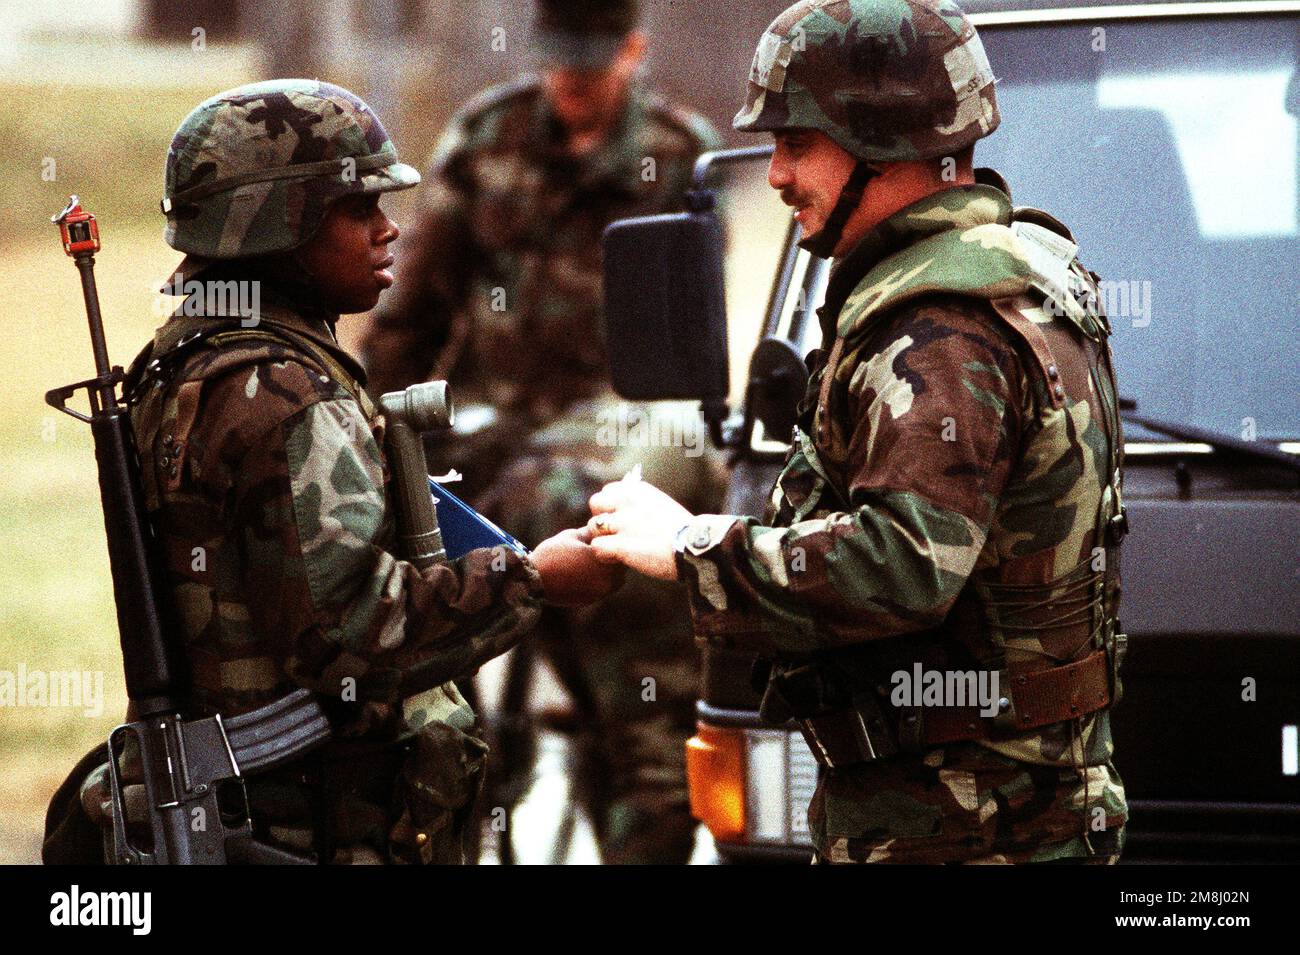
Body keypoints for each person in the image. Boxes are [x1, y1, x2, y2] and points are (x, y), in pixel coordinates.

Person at [585, 0, 1130, 864]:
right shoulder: (1011, 278)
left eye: (796, 144)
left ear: (881, 143)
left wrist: (693, 545)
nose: (775, 175)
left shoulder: (942, 328)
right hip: (981, 815)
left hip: (961, 829)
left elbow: (906, 564)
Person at [51, 78, 622, 866]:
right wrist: (533, 578)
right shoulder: (284, 394)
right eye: (359, 210)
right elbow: (351, 636)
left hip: (263, 811)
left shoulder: (183, 362)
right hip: (306, 829)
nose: (389, 231)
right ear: (278, 225)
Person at [357, 0, 723, 863]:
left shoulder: (675, 152)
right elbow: (412, 311)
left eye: (591, 64)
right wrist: (375, 434)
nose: (570, 84)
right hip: (490, 422)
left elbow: (691, 334)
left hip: (619, 419)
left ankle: (638, 793)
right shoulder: (488, 140)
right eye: (557, 62)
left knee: (638, 699)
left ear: (631, 51)